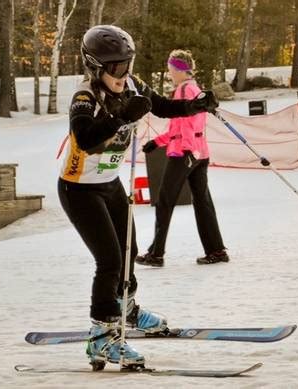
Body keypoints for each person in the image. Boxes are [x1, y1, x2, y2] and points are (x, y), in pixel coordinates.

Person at [58, 26, 218, 369]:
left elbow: (160, 106)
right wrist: (121, 116)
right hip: (79, 189)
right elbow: (85, 138)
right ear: (95, 67)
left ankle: (125, 309)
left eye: (127, 64)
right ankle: (101, 339)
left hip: (110, 184)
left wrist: (194, 105)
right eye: (115, 68)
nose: (123, 74)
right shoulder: (85, 97)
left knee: (128, 252)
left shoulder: (130, 84)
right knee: (110, 261)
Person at [135, 49, 229, 268]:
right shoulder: (193, 88)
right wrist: (157, 142)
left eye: (170, 69)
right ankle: (216, 250)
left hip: (185, 153)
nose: (169, 73)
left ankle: (156, 254)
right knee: (202, 201)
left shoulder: (184, 90)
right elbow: (178, 125)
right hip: (199, 152)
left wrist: (185, 152)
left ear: (178, 69)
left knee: (165, 201)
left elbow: (186, 126)